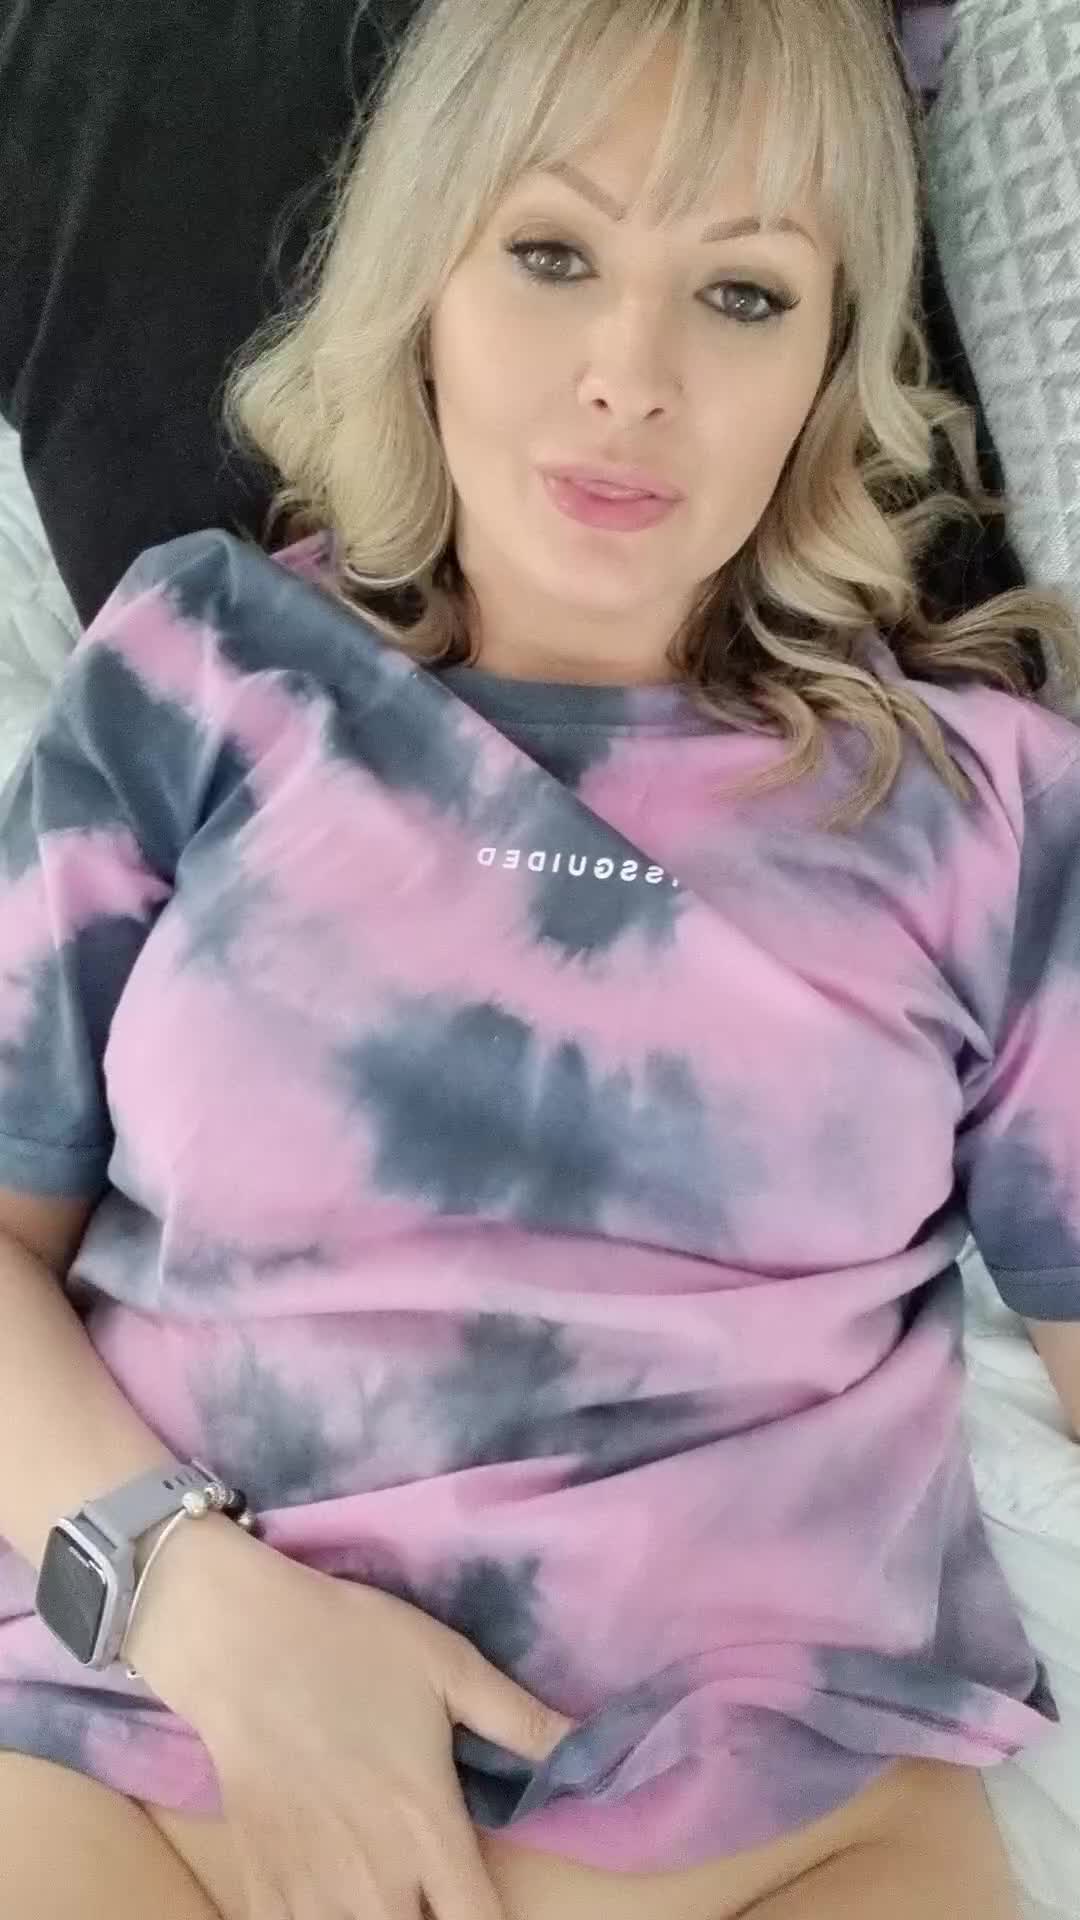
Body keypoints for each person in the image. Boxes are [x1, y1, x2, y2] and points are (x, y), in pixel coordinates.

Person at [0, 0, 1078, 1914]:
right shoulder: (200, 672)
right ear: (426, 276)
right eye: (555, 253)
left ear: (830, 362)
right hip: (151, 1771)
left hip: (783, 1829)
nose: (627, 379)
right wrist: (192, 1602)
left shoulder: (983, 810)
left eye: (741, 294)